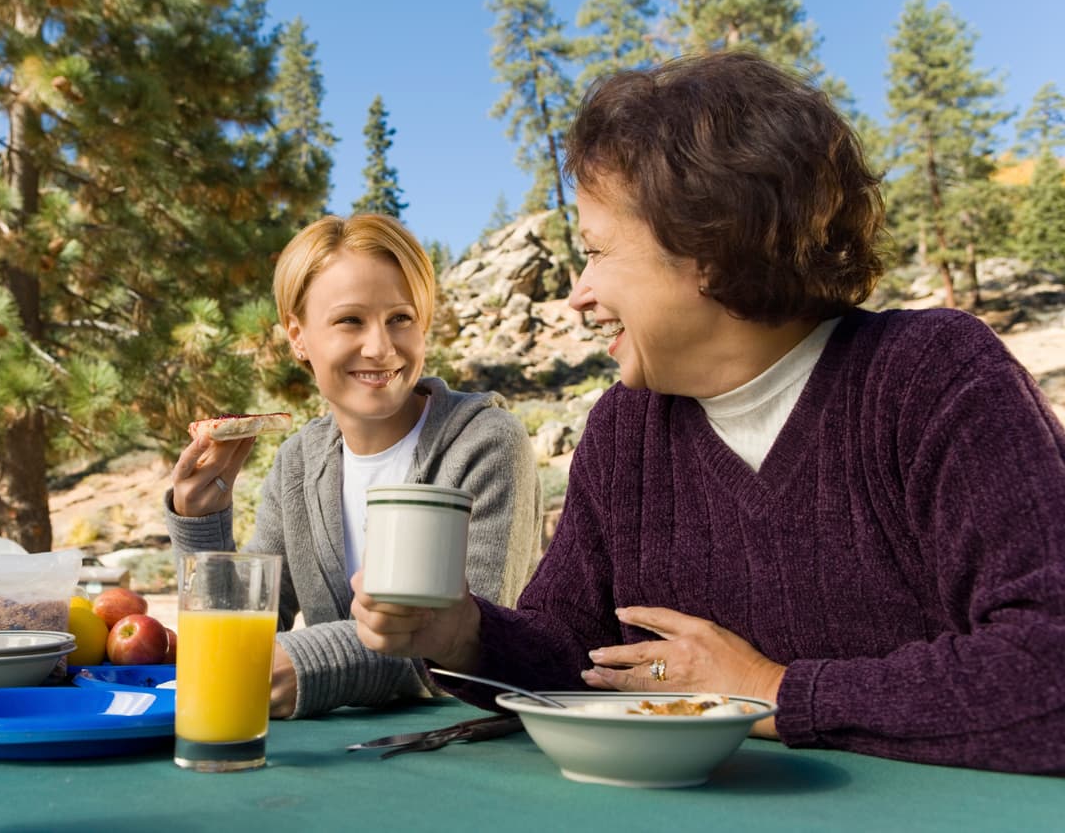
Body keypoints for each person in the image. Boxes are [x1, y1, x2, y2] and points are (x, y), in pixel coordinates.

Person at [351, 51, 1065, 774]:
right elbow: (578, 659)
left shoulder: (931, 377)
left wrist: (768, 690)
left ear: (711, 250)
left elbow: (1047, 665)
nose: (578, 294)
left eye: (597, 251)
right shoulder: (625, 429)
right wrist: (462, 634)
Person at [167, 212, 543, 719]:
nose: (380, 348)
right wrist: (200, 523)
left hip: (470, 741)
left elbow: (473, 642)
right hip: (340, 751)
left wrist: (314, 664)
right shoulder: (298, 463)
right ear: (297, 336)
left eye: (401, 318)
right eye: (350, 320)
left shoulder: (485, 442)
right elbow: (243, 632)